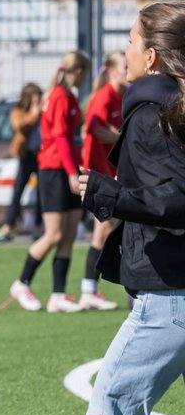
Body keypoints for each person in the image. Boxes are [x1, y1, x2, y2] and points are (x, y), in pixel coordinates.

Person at [47, 1, 185, 415]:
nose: (125, 51)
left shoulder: (152, 109)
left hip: (170, 298)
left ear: (151, 54)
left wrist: (105, 193)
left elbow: (172, 200)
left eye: (130, 41)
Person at [3, 51, 90, 312]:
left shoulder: (68, 96)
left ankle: (59, 295)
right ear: (77, 71)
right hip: (54, 170)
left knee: (70, 232)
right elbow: (61, 138)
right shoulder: (59, 96)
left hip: (67, 168)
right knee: (54, 234)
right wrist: (72, 173)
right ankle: (22, 282)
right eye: (83, 72)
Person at [76, 51, 129, 311]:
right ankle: (89, 288)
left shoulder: (119, 96)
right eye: (124, 66)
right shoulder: (104, 97)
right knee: (106, 230)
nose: (128, 69)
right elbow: (94, 130)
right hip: (100, 174)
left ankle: (89, 289)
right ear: (111, 71)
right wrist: (126, 139)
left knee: (103, 231)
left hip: (109, 173)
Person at [0, 84, 43, 242]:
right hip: (26, 155)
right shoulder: (18, 111)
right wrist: (34, 113)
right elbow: (20, 126)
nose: (37, 99)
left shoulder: (43, 110)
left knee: (42, 192)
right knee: (18, 191)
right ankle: (8, 225)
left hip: (41, 155)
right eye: (34, 96)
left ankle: (38, 226)